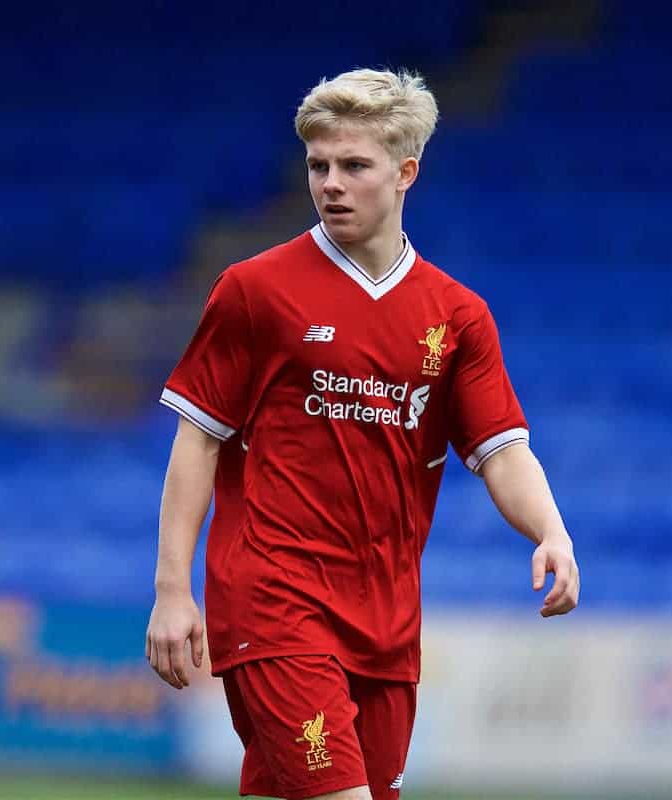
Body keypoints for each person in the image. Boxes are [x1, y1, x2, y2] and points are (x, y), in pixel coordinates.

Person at [146, 67, 580, 800]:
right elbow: (200, 438)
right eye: (318, 165)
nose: (330, 184)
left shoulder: (456, 316)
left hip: (386, 622)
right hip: (275, 601)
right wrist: (170, 590)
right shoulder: (257, 290)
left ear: (406, 171)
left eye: (354, 166)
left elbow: (502, 451)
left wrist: (552, 531)